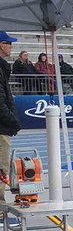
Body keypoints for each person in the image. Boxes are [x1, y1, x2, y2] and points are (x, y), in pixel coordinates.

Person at [0, 32, 21, 199]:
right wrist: (13, 121)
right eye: (9, 44)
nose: (11, 47)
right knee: (1, 170)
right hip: (1, 129)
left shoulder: (3, 68)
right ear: (1, 45)